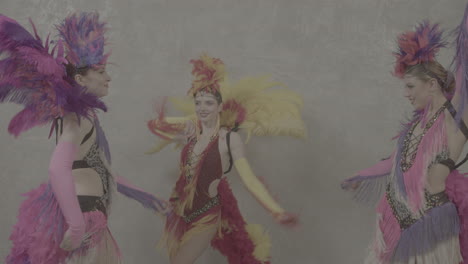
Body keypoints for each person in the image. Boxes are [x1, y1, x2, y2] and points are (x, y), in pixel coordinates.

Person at [1, 12, 167, 264]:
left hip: (91, 214)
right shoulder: (75, 118)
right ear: (80, 78)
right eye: (100, 71)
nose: (108, 77)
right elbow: (58, 168)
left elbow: (100, 168)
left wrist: (142, 195)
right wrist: (77, 227)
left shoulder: (85, 115)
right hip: (85, 217)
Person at [147, 54, 306, 264]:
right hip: (181, 211)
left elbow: (249, 180)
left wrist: (276, 211)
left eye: (209, 103)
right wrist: (191, 121)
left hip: (208, 213)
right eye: (198, 103)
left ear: (220, 107)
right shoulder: (190, 131)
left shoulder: (229, 140)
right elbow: (156, 125)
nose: (202, 108)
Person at [342, 9, 468, 264]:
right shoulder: (414, 126)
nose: (406, 93)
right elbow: (394, 161)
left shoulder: (452, 119)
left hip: (431, 228)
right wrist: (362, 175)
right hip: (396, 216)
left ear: (431, 84)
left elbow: (465, 68)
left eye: (410, 86)